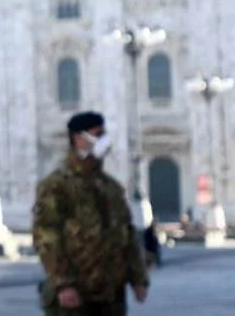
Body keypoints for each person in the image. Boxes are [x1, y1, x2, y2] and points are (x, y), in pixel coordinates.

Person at [33, 111, 149, 315]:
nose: (104, 140)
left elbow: (127, 234)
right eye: (98, 134)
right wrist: (63, 283)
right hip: (75, 294)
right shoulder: (57, 185)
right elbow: (47, 236)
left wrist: (138, 278)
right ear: (79, 139)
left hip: (111, 295)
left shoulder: (110, 187)